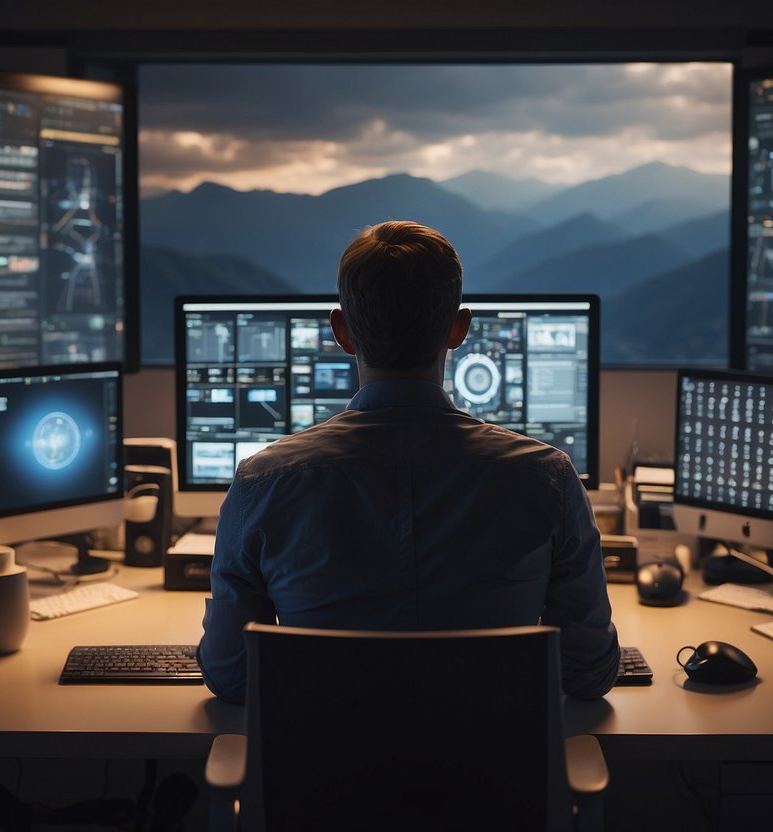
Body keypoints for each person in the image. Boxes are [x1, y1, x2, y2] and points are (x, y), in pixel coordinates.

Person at [197, 220, 620, 702]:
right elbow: (588, 674)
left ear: (341, 332)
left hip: (328, 777)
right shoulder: (550, 479)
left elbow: (230, 677)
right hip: (489, 776)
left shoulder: (260, 483)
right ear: (459, 329)